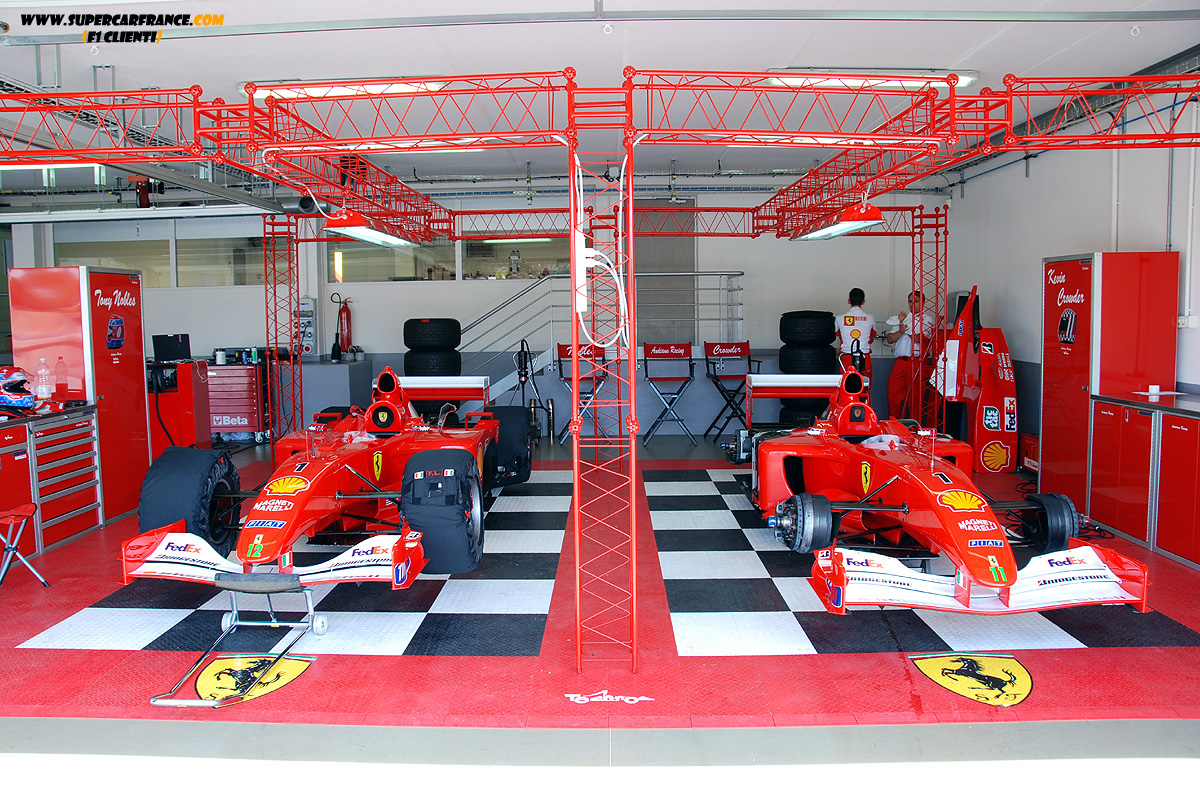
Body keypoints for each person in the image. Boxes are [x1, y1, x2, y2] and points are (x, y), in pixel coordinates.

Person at [886, 289, 936, 419]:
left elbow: (919, 338)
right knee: (893, 396)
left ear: (923, 303)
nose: (912, 305)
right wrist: (901, 330)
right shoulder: (903, 318)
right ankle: (894, 424)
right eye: (910, 301)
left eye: (916, 301)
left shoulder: (927, 319)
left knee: (915, 399)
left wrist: (906, 328)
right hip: (900, 362)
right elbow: (890, 339)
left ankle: (914, 427)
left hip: (917, 362)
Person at [837, 287, 877, 383]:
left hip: (846, 357)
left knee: (846, 386)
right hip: (864, 357)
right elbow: (871, 338)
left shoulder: (839, 319)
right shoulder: (871, 318)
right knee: (864, 386)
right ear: (863, 302)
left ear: (849, 301)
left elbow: (839, 336)